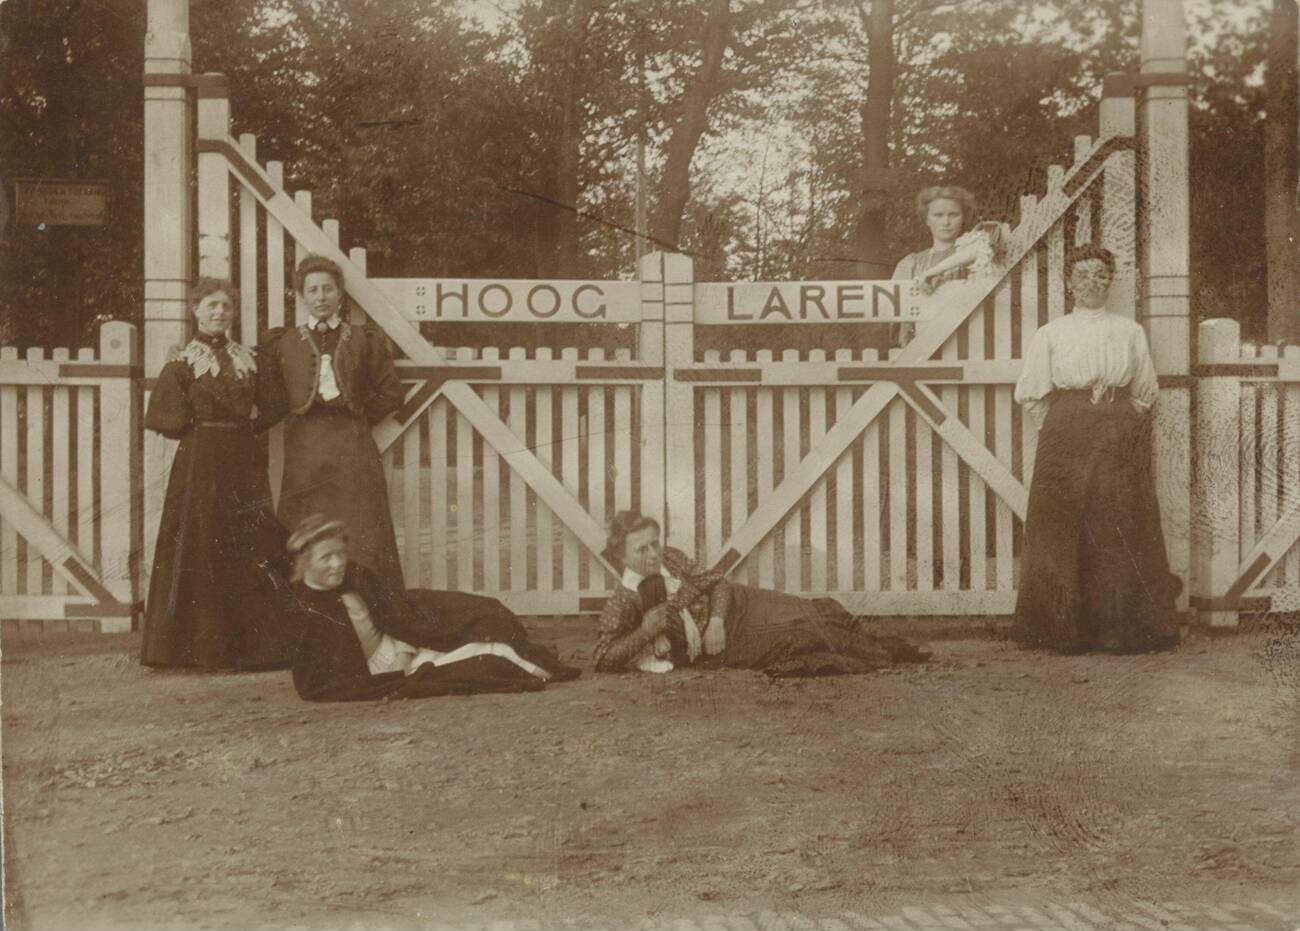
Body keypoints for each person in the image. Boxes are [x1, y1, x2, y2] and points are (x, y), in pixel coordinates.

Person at [1011, 245, 1181, 654]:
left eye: (1101, 275)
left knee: (1120, 521)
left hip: (1117, 429)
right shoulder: (1052, 333)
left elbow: (1144, 391)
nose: (1092, 283)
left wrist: (1116, 419)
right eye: (1083, 275)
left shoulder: (1129, 331)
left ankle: (1123, 631)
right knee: (1062, 523)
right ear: (1070, 283)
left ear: (1111, 282)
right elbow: (1032, 394)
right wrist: (1066, 422)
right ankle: (1059, 630)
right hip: (1066, 429)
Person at [141, 278, 292, 670]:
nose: (218, 312)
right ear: (195, 310)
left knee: (249, 541)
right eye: (210, 305)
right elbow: (164, 416)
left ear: (233, 312)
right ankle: (201, 649)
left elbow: (276, 405)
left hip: (242, 460)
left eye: (225, 306)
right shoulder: (182, 361)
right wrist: (200, 424)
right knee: (203, 541)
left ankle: (256, 649)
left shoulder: (248, 359)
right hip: (200, 462)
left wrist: (247, 429)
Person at [592, 511, 930, 676]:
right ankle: (890, 654)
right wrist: (645, 632)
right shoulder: (624, 601)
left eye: (655, 542)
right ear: (621, 555)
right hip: (730, 645)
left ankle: (878, 642)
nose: (654, 554)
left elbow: (718, 582)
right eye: (642, 550)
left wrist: (717, 621)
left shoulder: (672, 557)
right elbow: (602, 658)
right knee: (807, 630)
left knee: (823, 607)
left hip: (737, 607)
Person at [284, 514, 581, 702]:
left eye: (340, 554)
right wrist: (397, 673)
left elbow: (396, 616)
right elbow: (320, 682)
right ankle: (538, 672)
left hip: (405, 649)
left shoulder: (356, 577)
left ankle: (534, 664)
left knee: (484, 623)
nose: (337, 564)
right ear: (305, 562)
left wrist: (403, 649)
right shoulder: (303, 608)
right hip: (386, 669)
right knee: (490, 652)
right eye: (326, 558)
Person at [260, 255, 406, 589]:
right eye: (312, 290)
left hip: (351, 446)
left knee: (361, 523)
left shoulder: (362, 339)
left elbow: (391, 392)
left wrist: (356, 416)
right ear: (302, 296)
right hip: (305, 448)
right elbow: (257, 381)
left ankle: (368, 602)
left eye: (328, 288)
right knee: (303, 522)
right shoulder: (283, 342)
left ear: (340, 293)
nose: (321, 296)